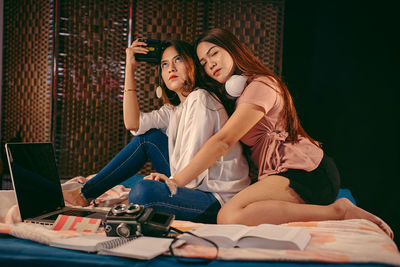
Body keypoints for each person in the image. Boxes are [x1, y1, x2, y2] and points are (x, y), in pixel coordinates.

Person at [151, 28, 393, 238]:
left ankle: (339, 211)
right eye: (203, 62)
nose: (210, 63)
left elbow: (223, 141)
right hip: (278, 174)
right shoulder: (238, 95)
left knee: (229, 216)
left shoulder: (260, 85)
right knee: (230, 214)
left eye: (214, 53)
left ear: (232, 50)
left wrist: (176, 182)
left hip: (307, 174)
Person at [63, 39, 250, 223]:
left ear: (193, 64)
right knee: (148, 139)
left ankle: (86, 192)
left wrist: (167, 183)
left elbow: (193, 158)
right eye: (164, 64)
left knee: (143, 192)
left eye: (178, 60)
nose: (171, 68)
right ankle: (85, 193)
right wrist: (130, 68)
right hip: (193, 185)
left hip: (216, 198)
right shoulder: (174, 110)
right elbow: (133, 123)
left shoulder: (201, 98)